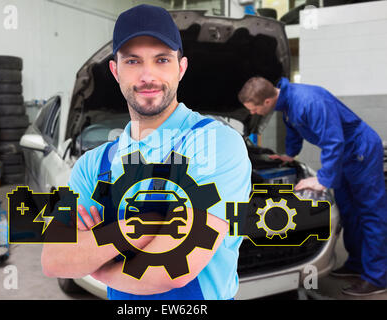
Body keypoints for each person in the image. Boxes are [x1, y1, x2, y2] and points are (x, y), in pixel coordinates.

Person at [41, 4, 252, 300]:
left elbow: (173, 268)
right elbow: (54, 259)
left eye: (162, 59)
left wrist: (97, 263)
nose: (147, 75)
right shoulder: (93, 164)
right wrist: (131, 231)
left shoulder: (215, 144)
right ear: (115, 70)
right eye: (133, 61)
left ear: (181, 67)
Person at [238, 76, 387, 296]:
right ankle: (356, 264)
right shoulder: (286, 103)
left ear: (267, 102)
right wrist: (290, 155)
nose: (252, 114)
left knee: (370, 212)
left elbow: (334, 141)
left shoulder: (308, 101)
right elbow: (295, 130)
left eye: (253, 109)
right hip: (344, 156)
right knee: (348, 211)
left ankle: (377, 277)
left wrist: (322, 180)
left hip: (360, 152)